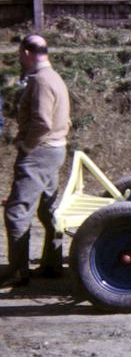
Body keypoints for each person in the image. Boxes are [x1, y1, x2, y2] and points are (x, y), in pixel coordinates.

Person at [0, 35, 70, 288]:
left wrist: (28, 145)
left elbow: (42, 122)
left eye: (20, 54)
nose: (19, 59)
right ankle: (52, 265)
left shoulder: (40, 81)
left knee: (16, 212)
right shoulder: (54, 77)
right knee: (47, 208)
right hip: (54, 150)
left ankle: (18, 272)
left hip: (39, 153)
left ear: (27, 53)